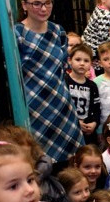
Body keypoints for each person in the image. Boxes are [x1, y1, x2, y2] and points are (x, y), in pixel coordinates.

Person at [15, 0, 83, 163]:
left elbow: (63, 66)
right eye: (36, 4)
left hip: (62, 105)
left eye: (48, 3)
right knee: (39, 162)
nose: (43, 8)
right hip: (35, 109)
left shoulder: (58, 31)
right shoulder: (18, 33)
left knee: (72, 162)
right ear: (24, 5)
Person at [66, 44, 101, 145]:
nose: (82, 63)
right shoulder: (64, 81)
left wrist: (94, 123)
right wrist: (76, 122)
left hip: (87, 134)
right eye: (78, 59)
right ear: (69, 60)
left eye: (86, 61)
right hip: (68, 130)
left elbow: (97, 109)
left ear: (91, 64)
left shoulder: (92, 86)